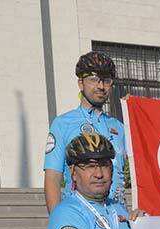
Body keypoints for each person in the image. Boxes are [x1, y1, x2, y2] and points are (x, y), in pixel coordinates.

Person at [44, 51, 127, 213]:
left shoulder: (119, 127)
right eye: (94, 79)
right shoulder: (62, 124)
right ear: (80, 83)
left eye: (107, 81)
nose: (101, 86)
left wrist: (135, 113)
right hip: (80, 216)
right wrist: (58, 222)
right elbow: (53, 179)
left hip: (117, 218)